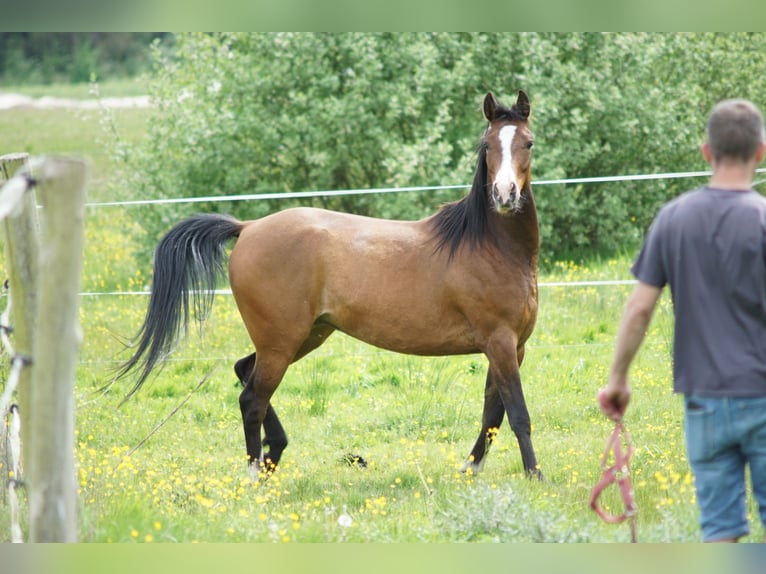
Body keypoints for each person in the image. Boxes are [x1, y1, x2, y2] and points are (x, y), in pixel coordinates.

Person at [599, 97, 766, 543]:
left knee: (720, 531)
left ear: (706, 152)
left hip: (705, 399)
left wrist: (618, 379)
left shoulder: (674, 218)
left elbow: (639, 309)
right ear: (761, 152)